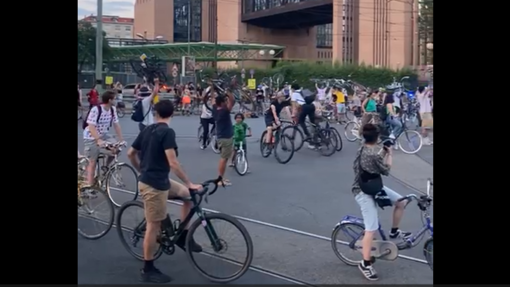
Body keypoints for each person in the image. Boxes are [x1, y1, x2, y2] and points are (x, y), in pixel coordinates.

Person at [126, 100, 203, 283]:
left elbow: (130, 153)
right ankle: (148, 268)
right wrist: (190, 182)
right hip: (153, 186)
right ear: (172, 114)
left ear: (156, 113)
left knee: (187, 196)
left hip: (159, 181)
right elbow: (173, 162)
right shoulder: (167, 132)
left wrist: (141, 170)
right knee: (153, 226)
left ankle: (182, 236)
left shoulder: (147, 129)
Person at [352, 124, 410, 281]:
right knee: (372, 229)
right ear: (376, 137)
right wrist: (389, 154)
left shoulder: (363, 148)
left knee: (400, 201)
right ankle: (365, 264)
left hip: (373, 185)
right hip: (363, 191)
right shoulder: (372, 154)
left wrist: (383, 151)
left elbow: (374, 162)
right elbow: (386, 170)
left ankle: (394, 231)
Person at [83, 90, 125, 185]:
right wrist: (98, 140)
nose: (116, 100)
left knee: (117, 149)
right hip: (91, 137)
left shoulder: (112, 109)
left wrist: (121, 139)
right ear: (110, 100)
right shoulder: (96, 110)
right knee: (92, 163)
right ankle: (89, 186)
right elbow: (91, 126)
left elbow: (116, 125)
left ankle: (105, 166)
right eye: (115, 99)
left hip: (104, 135)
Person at [212, 89, 235, 186]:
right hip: (226, 138)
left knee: (224, 158)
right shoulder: (224, 111)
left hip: (221, 137)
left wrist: (212, 88)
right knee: (224, 158)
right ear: (221, 103)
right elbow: (232, 101)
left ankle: (221, 178)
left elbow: (212, 100)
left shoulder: (214, 109)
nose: (226, 102)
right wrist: (229, 91)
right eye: (225, 101)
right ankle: (219, 179)